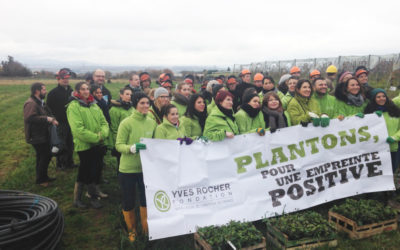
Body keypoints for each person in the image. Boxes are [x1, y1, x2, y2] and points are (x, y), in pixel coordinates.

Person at [116, 92, 157, 242]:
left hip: (145, 169)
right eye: (142, 103)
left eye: (147, 103)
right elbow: (118, 145)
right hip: (128, 169)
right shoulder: (126, 123)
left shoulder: (152, 122)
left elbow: (155, 143)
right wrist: (131, 148)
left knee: (145, 199)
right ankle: (132, 230)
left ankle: (146, 228)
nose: (146, 106)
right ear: (135, 104)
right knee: (128, 199)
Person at [66, 82, 109, 209]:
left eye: (87, 89)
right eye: (83, 89)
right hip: (85, 145)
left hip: (98, 143)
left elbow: (104, 122)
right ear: (77, 91)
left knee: (96, 169)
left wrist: (103, 134)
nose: (86, 91)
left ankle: (94, 192)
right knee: (86, 171)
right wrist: (97, 138)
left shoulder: (94, 105)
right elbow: (78, 130)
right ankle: (83, 198)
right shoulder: (73, 106)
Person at [24, 82, 58, 187]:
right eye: (44, 89)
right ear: (37, 91)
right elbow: (29, 118)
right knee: (45, 156)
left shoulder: (40, 102)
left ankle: (42, 177)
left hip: (42, 134)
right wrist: (47, 119)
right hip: (36, 136)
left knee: (42, 156)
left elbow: (47, 112)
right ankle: (41, 180)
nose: (46, 91)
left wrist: (52, 118)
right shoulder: (31, 103)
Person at [364, 88, 400, 174]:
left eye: (384, 96)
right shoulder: (369, 112)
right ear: (374, 99)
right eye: (378, 97)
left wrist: (395, 137)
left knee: (392, 169)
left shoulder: (395, 111)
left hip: (393, 147)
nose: (382, 98)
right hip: (377, 149)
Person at [47, 68, 76, 170]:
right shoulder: (52, 93)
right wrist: (53, 120)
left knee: (70, 143)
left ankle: (70, 162)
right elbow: (48, 109)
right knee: (61, 144)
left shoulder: (72, 92)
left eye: (67, 78)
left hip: (71, 122)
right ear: (58, 79)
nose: (65, 80)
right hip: (60, 123)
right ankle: (61, 164)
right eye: (63, 78)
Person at [109, 87, 134, 169]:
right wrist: (116, 143)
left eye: (131, 94)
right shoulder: (114, 109)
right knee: (121, 161)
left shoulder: (132, 108)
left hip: (132, 138)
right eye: (127, 94)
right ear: (121, 95)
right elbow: (114, 128)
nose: (129, 96)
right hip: (121, 139)